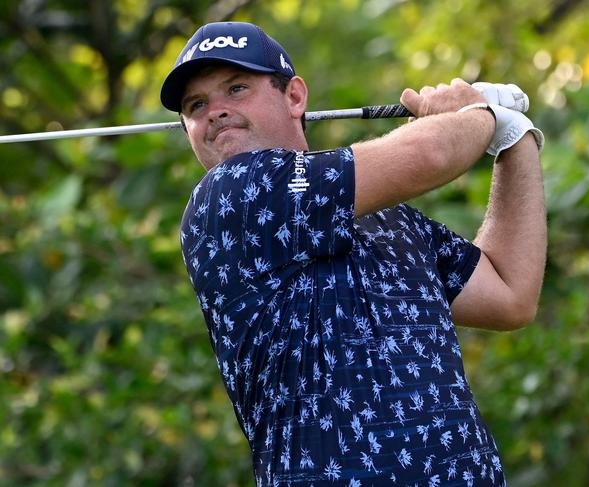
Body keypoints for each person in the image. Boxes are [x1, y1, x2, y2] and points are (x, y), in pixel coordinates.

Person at [160, 21, 546, 486]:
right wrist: (478, 111)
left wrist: (514, 138)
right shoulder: (229, 196)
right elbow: (431, 156)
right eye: (196, 105)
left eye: (235, 88)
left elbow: (510, 294)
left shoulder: (391, 218)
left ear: (295, 97)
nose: (216, 111)